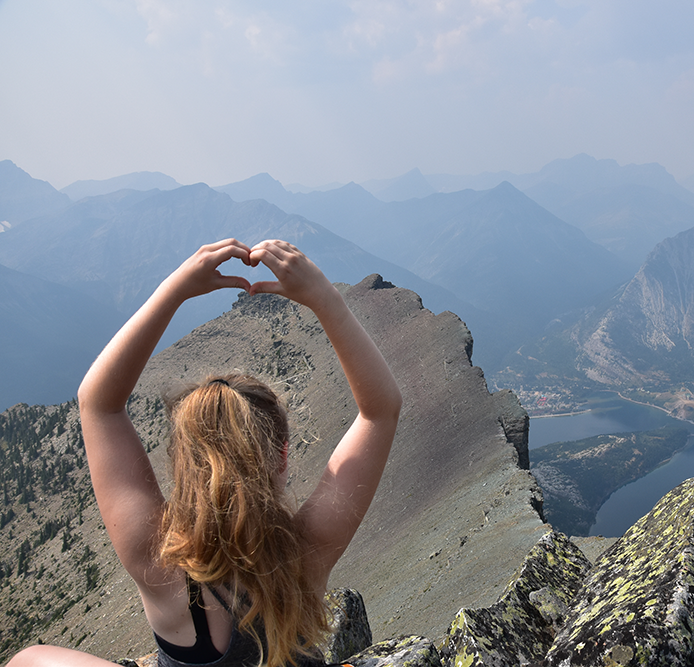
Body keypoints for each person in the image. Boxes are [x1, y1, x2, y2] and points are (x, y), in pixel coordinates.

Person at [8, 239, 401, 667]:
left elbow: (97, 403)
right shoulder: (306, 554)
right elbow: (380, 412)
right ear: (282, 455)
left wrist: (176, 288)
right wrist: (323, 297)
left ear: (182, 464)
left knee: (30, 657)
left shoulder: (155, 557)